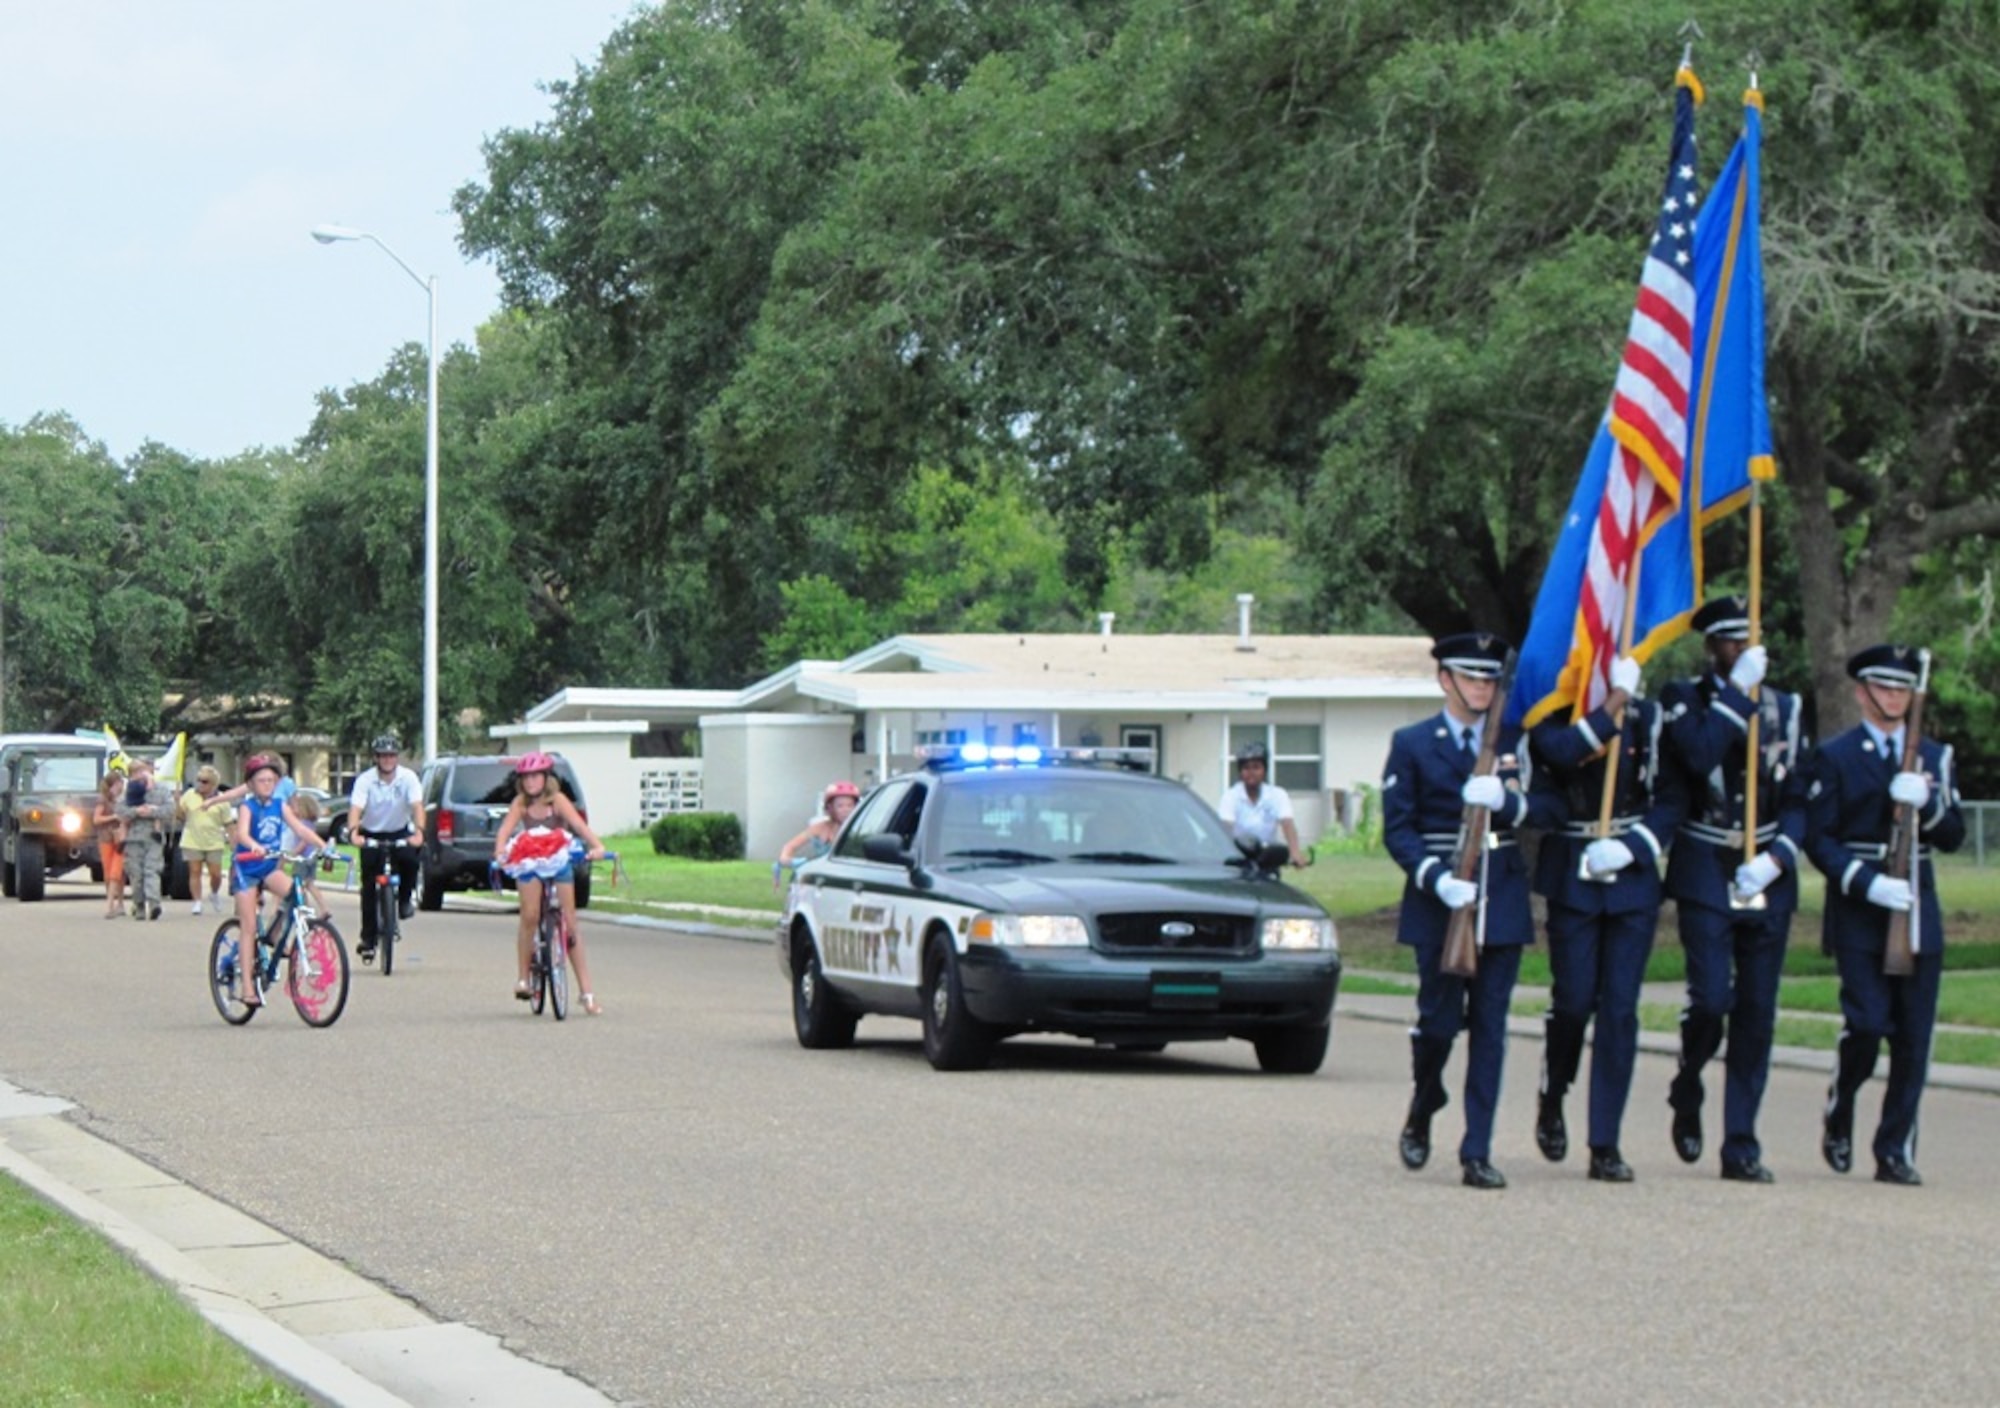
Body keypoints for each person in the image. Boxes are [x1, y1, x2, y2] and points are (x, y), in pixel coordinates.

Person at [1382, 632, 1557, 1190]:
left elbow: (1553, 806)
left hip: (1499, 892)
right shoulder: (1412, 742)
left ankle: (1476, 1149)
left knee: (1490, 1027)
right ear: (1445, 680)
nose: (1482, 688)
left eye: (1488, 679)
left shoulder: (1516, 741)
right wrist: (1436, 879)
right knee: (1436, 1024)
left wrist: (1511, 802)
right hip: (1441, 900)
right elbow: (1399, 828)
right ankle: (1424, 1098)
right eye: (1471, 678)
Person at [1658, 597, 1809, 1182]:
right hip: (1706, 865)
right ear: (1710, 648)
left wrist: (1778, 857)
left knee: (1757, 1013)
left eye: (1749, 640)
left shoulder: (1787, 708)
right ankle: (1689, 1077)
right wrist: (1735, 696)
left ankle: (1741, 1143)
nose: (1741, 650)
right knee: (1713, 1000)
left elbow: (1799, 794)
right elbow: (1697, 756)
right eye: (1728, 641)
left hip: (1764, 869)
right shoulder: (1684, 699)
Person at [1804, 643, 1966, 1186]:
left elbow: (1952, 836)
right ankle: (1842, 1100)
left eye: (1902, 689)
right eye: (1884, 687)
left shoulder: (1934, 758)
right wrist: (1866, 883)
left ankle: (1894, 1148)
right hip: (1860, 909)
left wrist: (1929, 801)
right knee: (1868, 1024)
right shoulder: (1836, 755)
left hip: (1917, 908)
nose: (1894, 697)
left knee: (1914, 1037)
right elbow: (1820, 840)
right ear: (1862, 692)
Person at [1528, 652, 1686, 1183]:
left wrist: (1636, 847)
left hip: (1631, 879)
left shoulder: (1651, 719)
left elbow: (1672, 796)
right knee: (1573, 1004)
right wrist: (1612, 701)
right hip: (1574, 873)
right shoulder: (1552, 716)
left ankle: (1605, 1141)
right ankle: (1555, 1089)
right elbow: (1565, 753)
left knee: (1620, 1011)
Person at [493, 752, 608, 1015]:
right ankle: (523, 978)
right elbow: (505, 831)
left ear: (546, 778)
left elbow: (579, 825)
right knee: (530, 916)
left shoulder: (558, 801)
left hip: (557, 859)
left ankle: (587, 994)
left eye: (536, 776)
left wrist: (597, 846)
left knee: (570, 924)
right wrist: (500, 852)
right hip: (530, 861)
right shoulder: (520, 804)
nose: (531, 782)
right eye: (526, 777)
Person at [228, 755, 326, 1008]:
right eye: (261, 780)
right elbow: (242, 833)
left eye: (271, 780)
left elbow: (300, 828)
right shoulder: (247, 807)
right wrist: (253, 845)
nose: (267, 785)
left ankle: (277, 934)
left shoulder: (280, 804)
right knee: (248, 926)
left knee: (295, 893)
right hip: (246, 867)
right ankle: (248, 987)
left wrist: (324, 846)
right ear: (250, 784)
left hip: (268, 866)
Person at [345, 733, 426, 963]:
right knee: (369, 886)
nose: (387, 760)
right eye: (383, 756)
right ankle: (368, 939)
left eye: (391, 755)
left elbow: (417, 806)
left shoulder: (408, 778)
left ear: (397, 757)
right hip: (371, 833)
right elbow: (355, 809)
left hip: (400, 830)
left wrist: (419, 832)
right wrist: (353, 833)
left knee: (411, 860)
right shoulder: (365, 780)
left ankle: (404, 901)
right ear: (376, 758)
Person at [1216, 742, 1308, 867]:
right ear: (1240, 771)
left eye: (1256, 767)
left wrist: (1295, 852)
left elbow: (1287, 824)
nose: (1251, 772)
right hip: (1239, 857)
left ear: (1265, 770)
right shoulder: (1231, 796)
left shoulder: (1278, 795)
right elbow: (1226, 827)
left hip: (1267, 857)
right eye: (1246, 768)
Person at [117, 755, 175, 921]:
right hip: (133, 839)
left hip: (153, 837)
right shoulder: (128, 791)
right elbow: (120, 811)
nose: (140, 774)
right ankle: (139, 905)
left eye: (143, 770)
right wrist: (135, 812)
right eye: (136, 772)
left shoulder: (160, 789)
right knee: (136, 874)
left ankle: (154, 903)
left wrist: (152, 811)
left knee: (152, 870)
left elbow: (170, 810)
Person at [773, 780, 860, 886]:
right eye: (840, 806)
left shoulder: (860, 829)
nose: (846, 810)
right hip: (822, 878)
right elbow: (790, 846)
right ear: (829, 808)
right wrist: (786, 858)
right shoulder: (819, 828)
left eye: (850, 805)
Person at [177, 765, 233, 916]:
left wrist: (233, 842)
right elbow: (181, 816)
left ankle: (214, 892)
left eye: (205, 781)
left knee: (215, 874)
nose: (201, 784)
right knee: (194, 871)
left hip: (214, 841)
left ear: (213, 784)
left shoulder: (221, 800)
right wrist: (177, 804)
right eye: (199, 780)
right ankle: (197, 902)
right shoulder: (189, 795)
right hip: (192, 839)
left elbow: (228, 822)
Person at [93, 766, 128, 919]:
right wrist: (113, 817)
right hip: (106, 838)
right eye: (119, 784)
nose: (121, 787)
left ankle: (111, 905)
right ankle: (117, 902)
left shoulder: (124, 800)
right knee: (109, 873)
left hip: (120, 839)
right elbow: (96, 819)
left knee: (117, 871)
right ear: (113, 784)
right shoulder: (103, 800)